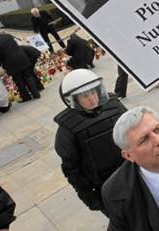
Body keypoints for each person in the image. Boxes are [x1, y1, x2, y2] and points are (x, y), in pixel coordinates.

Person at [54, 69, 127, 213]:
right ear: (72, 100)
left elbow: (135, 133)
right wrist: (90, 198)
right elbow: (72, 170)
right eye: (85, 96)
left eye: (93, 92)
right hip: (106, 187)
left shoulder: (115, 107)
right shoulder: (67, 129)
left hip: (133, 171)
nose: (92, 99)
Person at [0, 28, 41, 102]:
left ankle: (26, 97)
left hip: (11, 64)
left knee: (19, 81)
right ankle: (36, 94)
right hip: (22, 58)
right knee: (28, 76)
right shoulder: (7, 36)